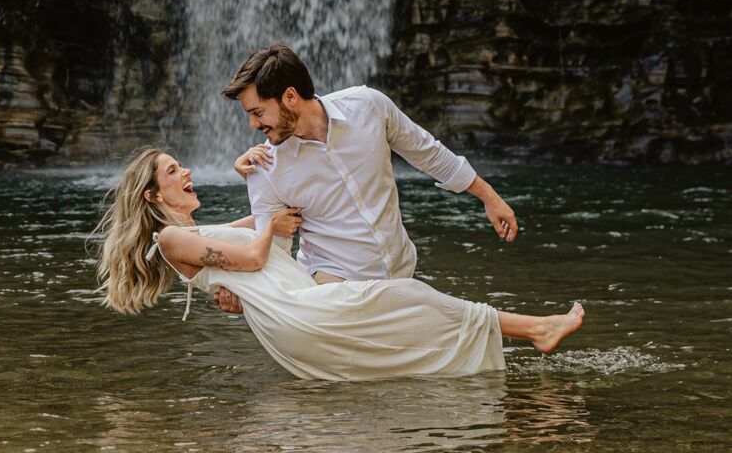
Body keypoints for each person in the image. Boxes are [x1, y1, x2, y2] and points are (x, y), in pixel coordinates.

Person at [94, 148, 583, 381]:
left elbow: (269, 227)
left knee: (409, 321)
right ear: (153, 194)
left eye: (183, 164)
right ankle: (538, 329)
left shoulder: (196, 234)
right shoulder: (171, 236)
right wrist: (268, 231)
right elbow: (255, 252)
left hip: (295, 314)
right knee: (412, 298)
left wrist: (253, 173)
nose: (187, 172)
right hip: (299, 313)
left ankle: (514, 346)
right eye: (173, 171)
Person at [212, 42, 519, 316]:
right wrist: (243, 295)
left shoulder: (369, 106)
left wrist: (489, 197)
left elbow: (429, 153)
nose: (253, 124)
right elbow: (274, 250)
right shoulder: (264, 168)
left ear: (290, 96)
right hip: (333, 288)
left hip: (400, 275)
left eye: (258, 112)